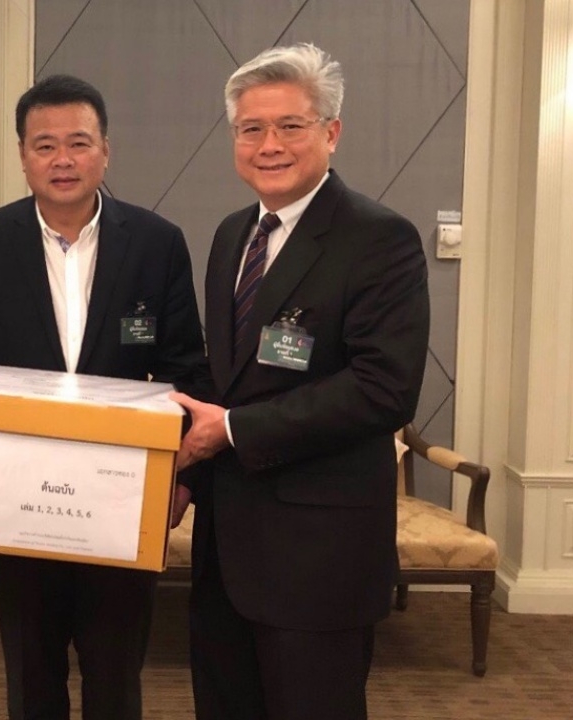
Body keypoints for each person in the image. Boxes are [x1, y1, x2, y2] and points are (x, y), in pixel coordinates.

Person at [0, 74, 206, 720]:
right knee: (31, 676)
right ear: (22, 156)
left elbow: (186, 366)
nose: (62, 160)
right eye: (44, 145)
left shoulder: (157, 243)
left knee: (115, 676)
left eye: (78, 143)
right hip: (17, 500)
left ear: (105, 150)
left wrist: (183, 478)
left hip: (121, 499)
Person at [169, 44, 431, 720]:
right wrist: (186, 472)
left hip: (319, 558)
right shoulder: (231, 236)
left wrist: (232, 430)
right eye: (251, 128)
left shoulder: (379, 238)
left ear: (331, 132)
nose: (269, 145)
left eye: (291, 125)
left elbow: (384, 388)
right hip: (226, 552)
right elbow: (226, 382)